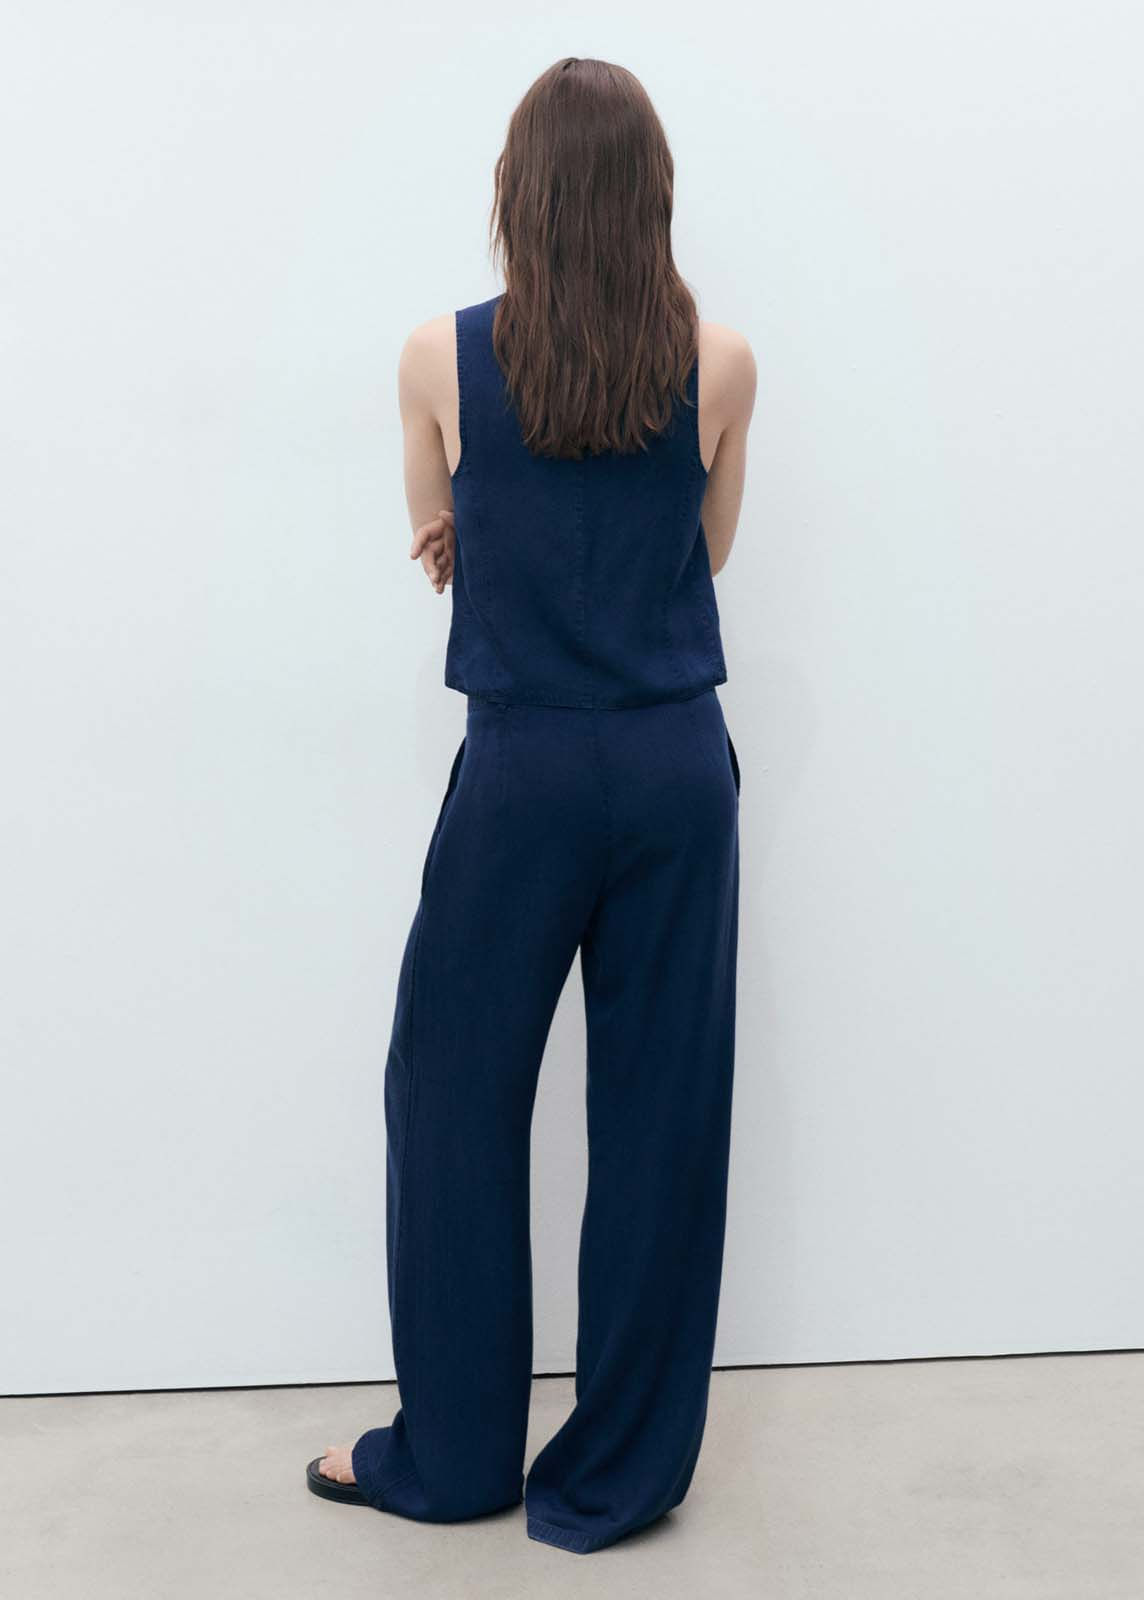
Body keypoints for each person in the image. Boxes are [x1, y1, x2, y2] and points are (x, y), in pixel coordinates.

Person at [305, 55, 756, 1555]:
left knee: (450, 1096)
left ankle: (452, 1456)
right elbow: (705, 554)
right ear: (652, 197)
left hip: (523, 772)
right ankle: (613, 1476)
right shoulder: (724, 361)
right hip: (673, 767)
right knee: (661, 1119)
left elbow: (437, 532)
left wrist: (485, 535)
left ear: (519, 194)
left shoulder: (437, 355)